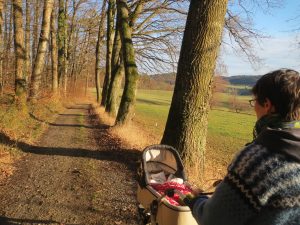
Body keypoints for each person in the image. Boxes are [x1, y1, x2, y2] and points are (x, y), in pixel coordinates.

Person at [190, 69, 300, 225]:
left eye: (255, 101)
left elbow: (213, 220)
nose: (254, 106)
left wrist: (196, 201)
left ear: (267, 105)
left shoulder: (257, 161)